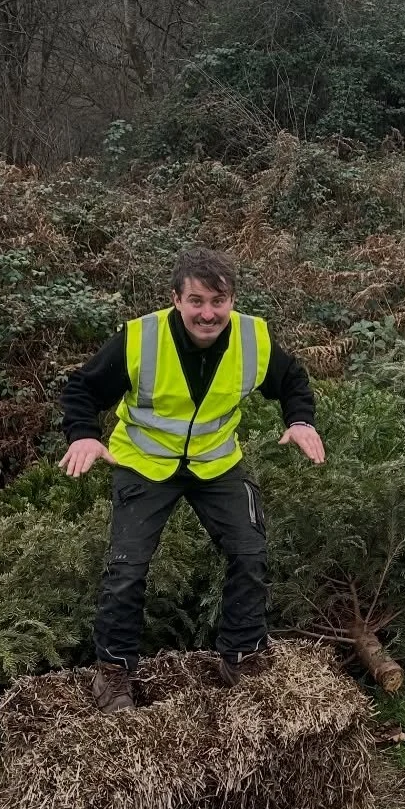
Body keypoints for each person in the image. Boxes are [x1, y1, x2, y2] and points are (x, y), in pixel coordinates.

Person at [59, 246, 325, 712]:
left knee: (251, 553)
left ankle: (240, 656)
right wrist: (83, 434)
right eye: (197, 301)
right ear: (176, 300)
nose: (208, 313)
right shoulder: (140, 337)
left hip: (215, 463)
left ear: (232, 301)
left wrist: (300, 421)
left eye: (218, 302)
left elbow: (293, 382)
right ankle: (115, 672)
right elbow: (82, 387)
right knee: (126, 570)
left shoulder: (253, 336)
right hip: (144, 463)